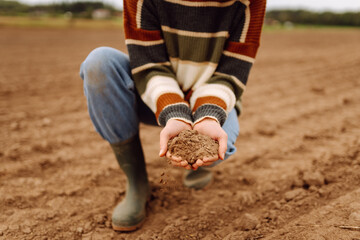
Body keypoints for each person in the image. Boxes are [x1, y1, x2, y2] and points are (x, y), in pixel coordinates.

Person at [80, 0, 266, 232]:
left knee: (218, 148)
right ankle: (137, 183)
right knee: (100, 63)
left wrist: (208, 117)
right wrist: (175, 114)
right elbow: (149, 65)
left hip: (213, 97)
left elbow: (231, 73)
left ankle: (201, 166)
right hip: (155, 95)